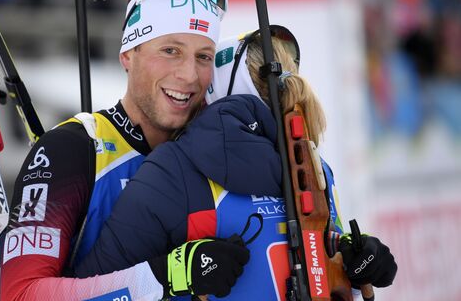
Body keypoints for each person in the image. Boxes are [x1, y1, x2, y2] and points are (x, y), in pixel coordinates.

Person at [73, 26, 398, 300]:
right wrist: (355, 259)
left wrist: (354, 256)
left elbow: (95, 291)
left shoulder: (174, 169)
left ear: (214, 90)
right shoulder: (311, 164)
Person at [0, 0, 251, 301]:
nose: (189, 75)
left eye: (203, 57)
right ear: (128, 54)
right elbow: (22, 294)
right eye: (170, 51)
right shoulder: (71, 149)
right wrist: (167, 276)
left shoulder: (219, 147)